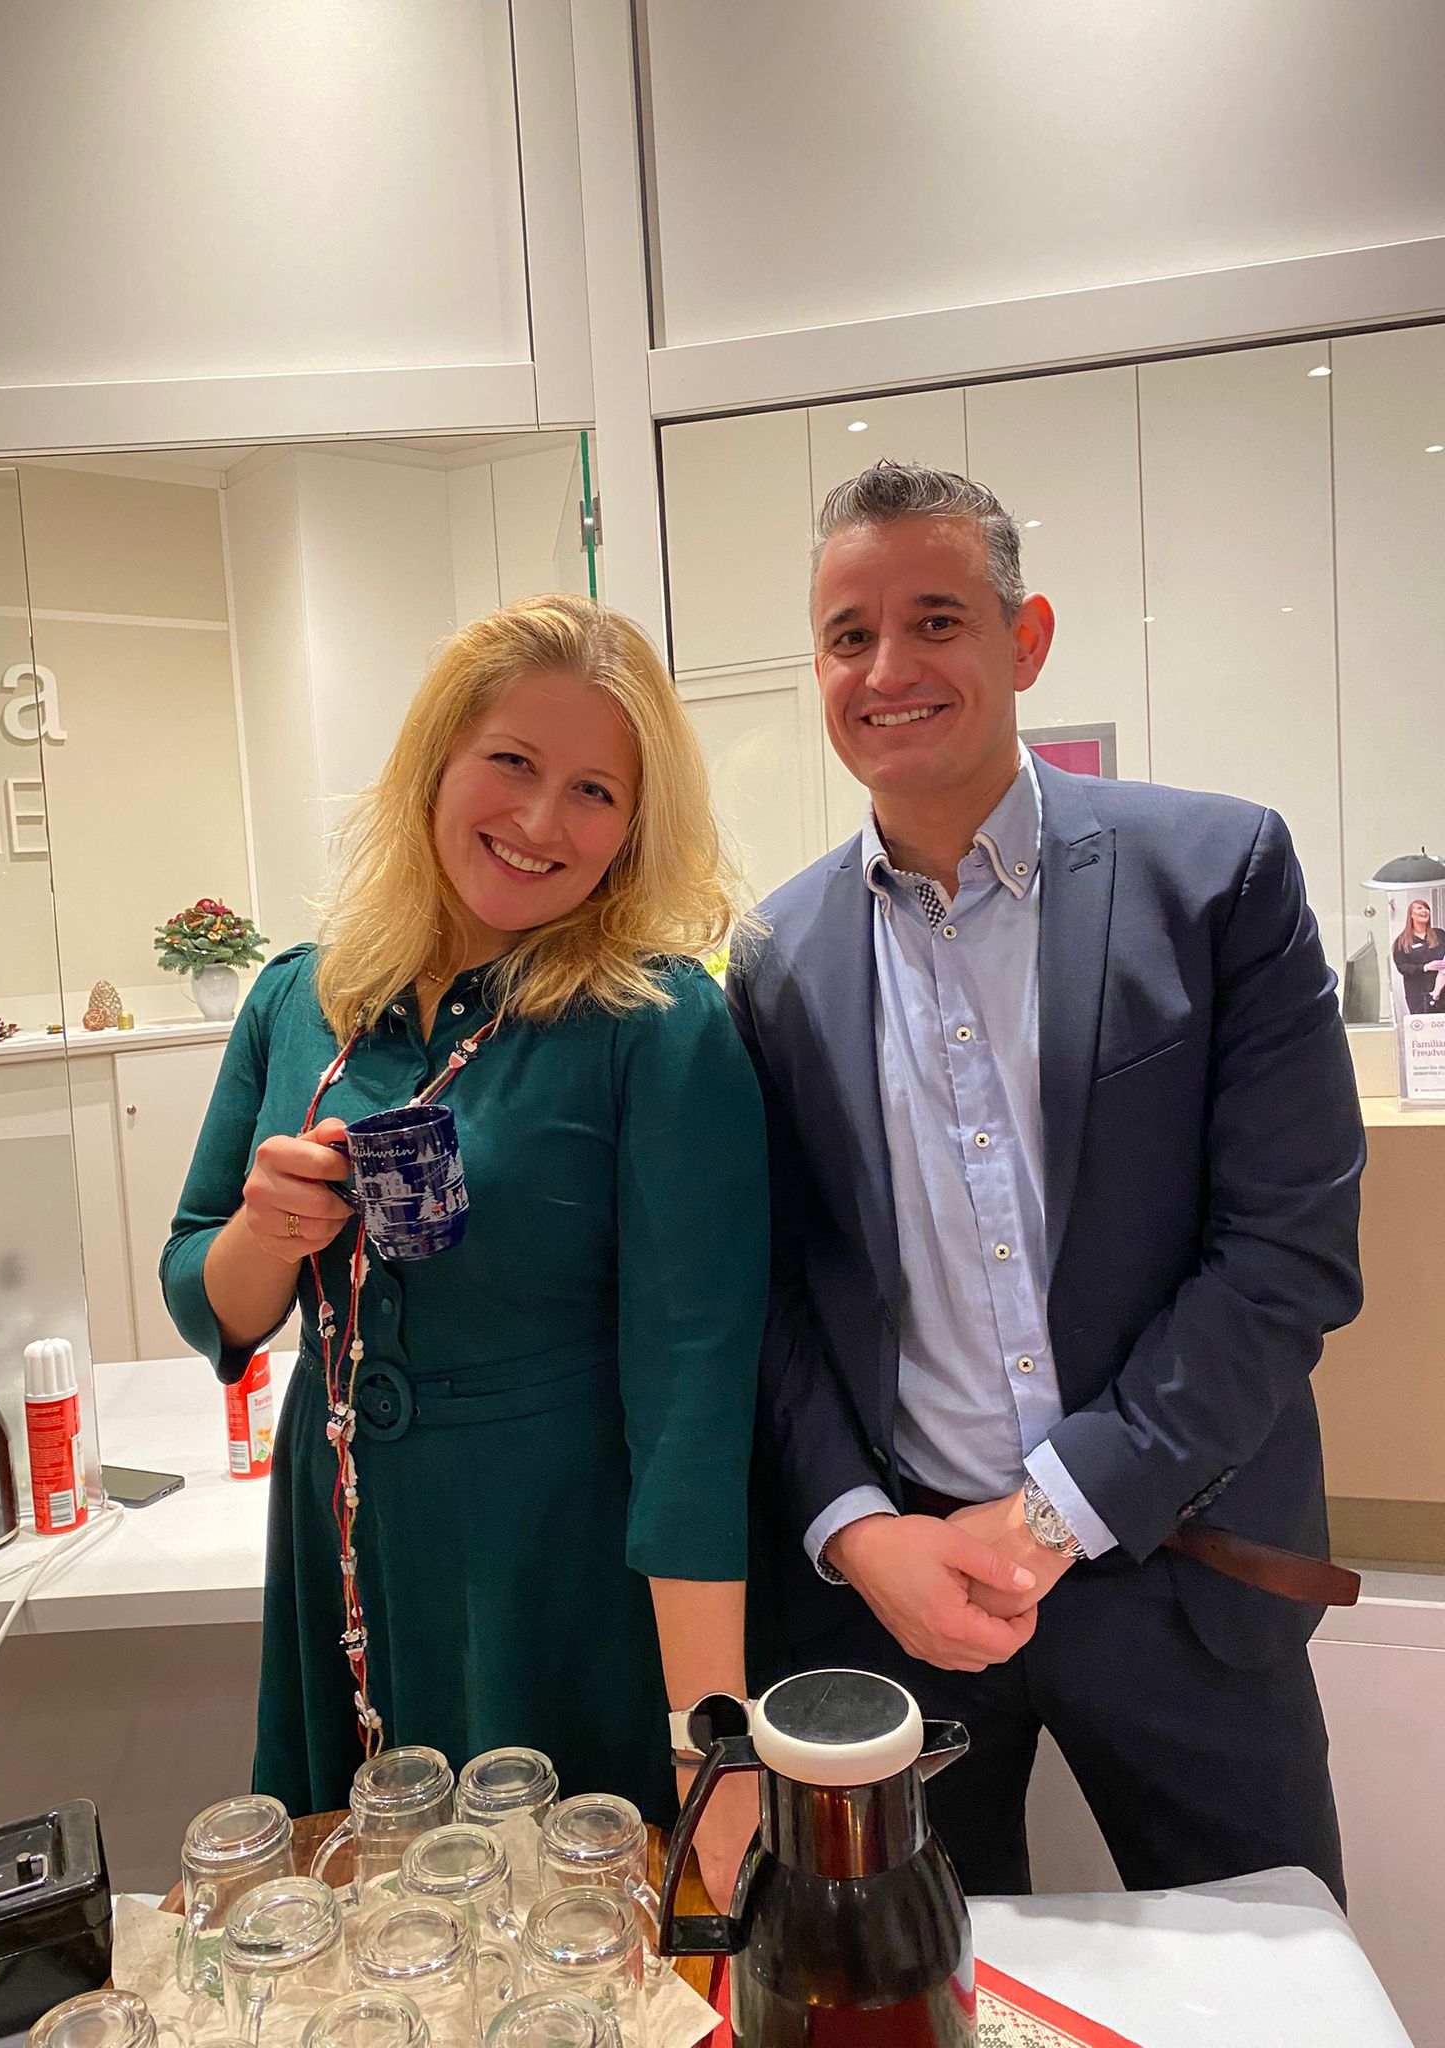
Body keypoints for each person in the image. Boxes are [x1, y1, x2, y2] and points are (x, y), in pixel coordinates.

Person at [726, 461, 1365, 1901]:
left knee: (1264, 1981)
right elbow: (769, 1296)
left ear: (1026, 640)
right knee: (911, 1984)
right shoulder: (774, 961)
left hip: (1187, 1568)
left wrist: (1050, 1513)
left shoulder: (1219, 875)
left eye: (935, 620)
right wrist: (858, 1532)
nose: (888, 669)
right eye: (847, 635)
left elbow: (1289, 1253)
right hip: (904, 1606)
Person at [162, 594, 766, 1906]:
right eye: (512, 761)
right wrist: (268, 1233)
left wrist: (709, 1751)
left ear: (635, 824)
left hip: (548, 1565)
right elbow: (203, 1291)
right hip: (337, 1540)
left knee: (553, 1939)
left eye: (595, 790)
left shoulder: (657, 1024)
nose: (542, 820)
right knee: (357, 1943)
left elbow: (694, 1409)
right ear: (437, 761)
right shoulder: (301, 994)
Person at [1392, 897, 1445, 1013]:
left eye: (1426, 908)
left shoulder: (1440, 934)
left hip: (1442, 991)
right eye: (1419, 908)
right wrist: (1425, 967)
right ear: (1411, 915)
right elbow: (1402, 967)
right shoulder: (1402, 941)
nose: (1424, 910)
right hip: (1417, 993)